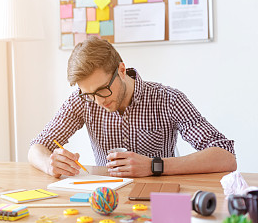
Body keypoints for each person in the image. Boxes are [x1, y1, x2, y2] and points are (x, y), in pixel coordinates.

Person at [28, 36, 237, 178]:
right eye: (90, 94)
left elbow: (225, 156)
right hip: (107, 199)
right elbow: (37, 147)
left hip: (160, 196)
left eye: (102, 90)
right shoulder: (84, 100)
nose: (98, 100)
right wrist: (49, 164)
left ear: (121, 70)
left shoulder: (168, 99)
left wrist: (154, 166)